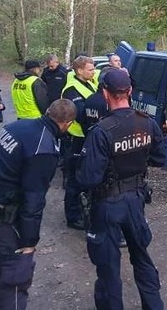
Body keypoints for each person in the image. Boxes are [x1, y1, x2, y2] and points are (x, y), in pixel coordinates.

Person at [0, 99, 77, 310]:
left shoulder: (17, 126)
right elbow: (34, 199)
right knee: (16, 275)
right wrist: (29, 241)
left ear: (47, 112)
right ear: (68, 124)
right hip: (0, 216)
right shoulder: (44, 148)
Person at [77, 69, 166, 310]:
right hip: (136, 200)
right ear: (130, 92)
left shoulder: (101, 131)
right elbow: (160, 158)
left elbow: (88, 177)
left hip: (107, 205)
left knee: (108, 268)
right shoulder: (146, 122)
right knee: (142, 258)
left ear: (105, 93)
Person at [61, 55, 97, 230]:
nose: (93, 72)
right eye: (90, 69)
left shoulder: (89, 83)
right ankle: (73, 216)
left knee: (86, 176)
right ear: (79, 70)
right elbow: (83, 115)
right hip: (77, 138)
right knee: (75, 178)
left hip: (88, 137)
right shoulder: (71, 90)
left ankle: (85, 208)